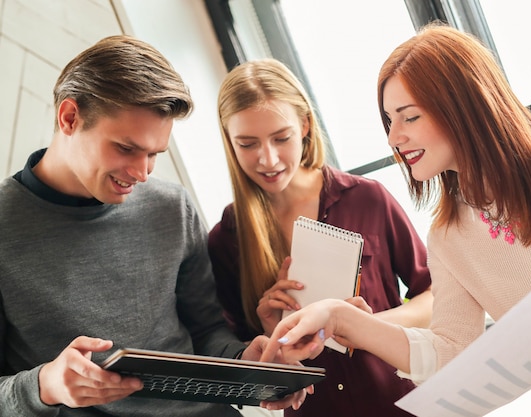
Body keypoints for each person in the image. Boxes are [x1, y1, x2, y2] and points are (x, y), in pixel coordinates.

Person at [260, 23, 531, 417]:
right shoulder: (448, 236)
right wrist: (338, 317)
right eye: (389, 120)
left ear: (462, 105)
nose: (393, 138)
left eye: (409, 117)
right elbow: (450, 351)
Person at [0, 35, 308, 417]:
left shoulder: (172, 207)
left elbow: (208, 331)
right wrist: (45, 384)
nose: (142, 174)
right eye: (126, 149)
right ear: (69, 118)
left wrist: (246, 359)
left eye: (154, 155)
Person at [208, 58, 433, 417]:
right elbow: (234, 357)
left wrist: (360, 326)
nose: (268, 159)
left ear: (305, 125)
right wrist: (272, 335)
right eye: (248, 144)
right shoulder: (226, 239)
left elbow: (433, 297)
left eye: (281, 138)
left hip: (402, 404)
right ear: (229, 142)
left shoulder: (367, 198)